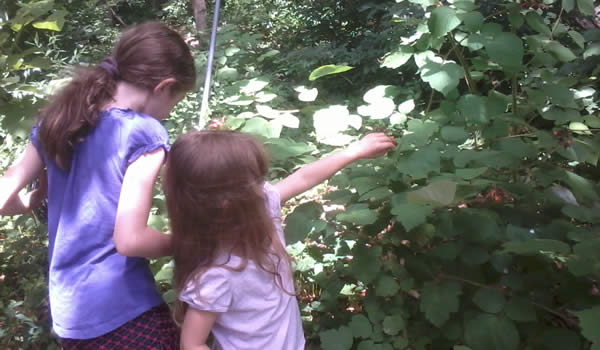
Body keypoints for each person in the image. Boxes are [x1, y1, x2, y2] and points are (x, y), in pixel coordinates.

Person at [0, 22, 196, 349]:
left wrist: (26, 204)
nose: (167, 113)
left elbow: (5, 195)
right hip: (123, 312)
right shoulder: (144, 133)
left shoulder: (59, 117)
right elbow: (130, 239)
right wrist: (190, 243)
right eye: (173, 103)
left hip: (70, 317)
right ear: (165, 86)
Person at [164, 130, 396, 350]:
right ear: (228, 204)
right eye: (253, 181)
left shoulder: (263, 206)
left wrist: (355, 150)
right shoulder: (215, 275)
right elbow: (192, 343)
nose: (262, 187)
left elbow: (304, 177)